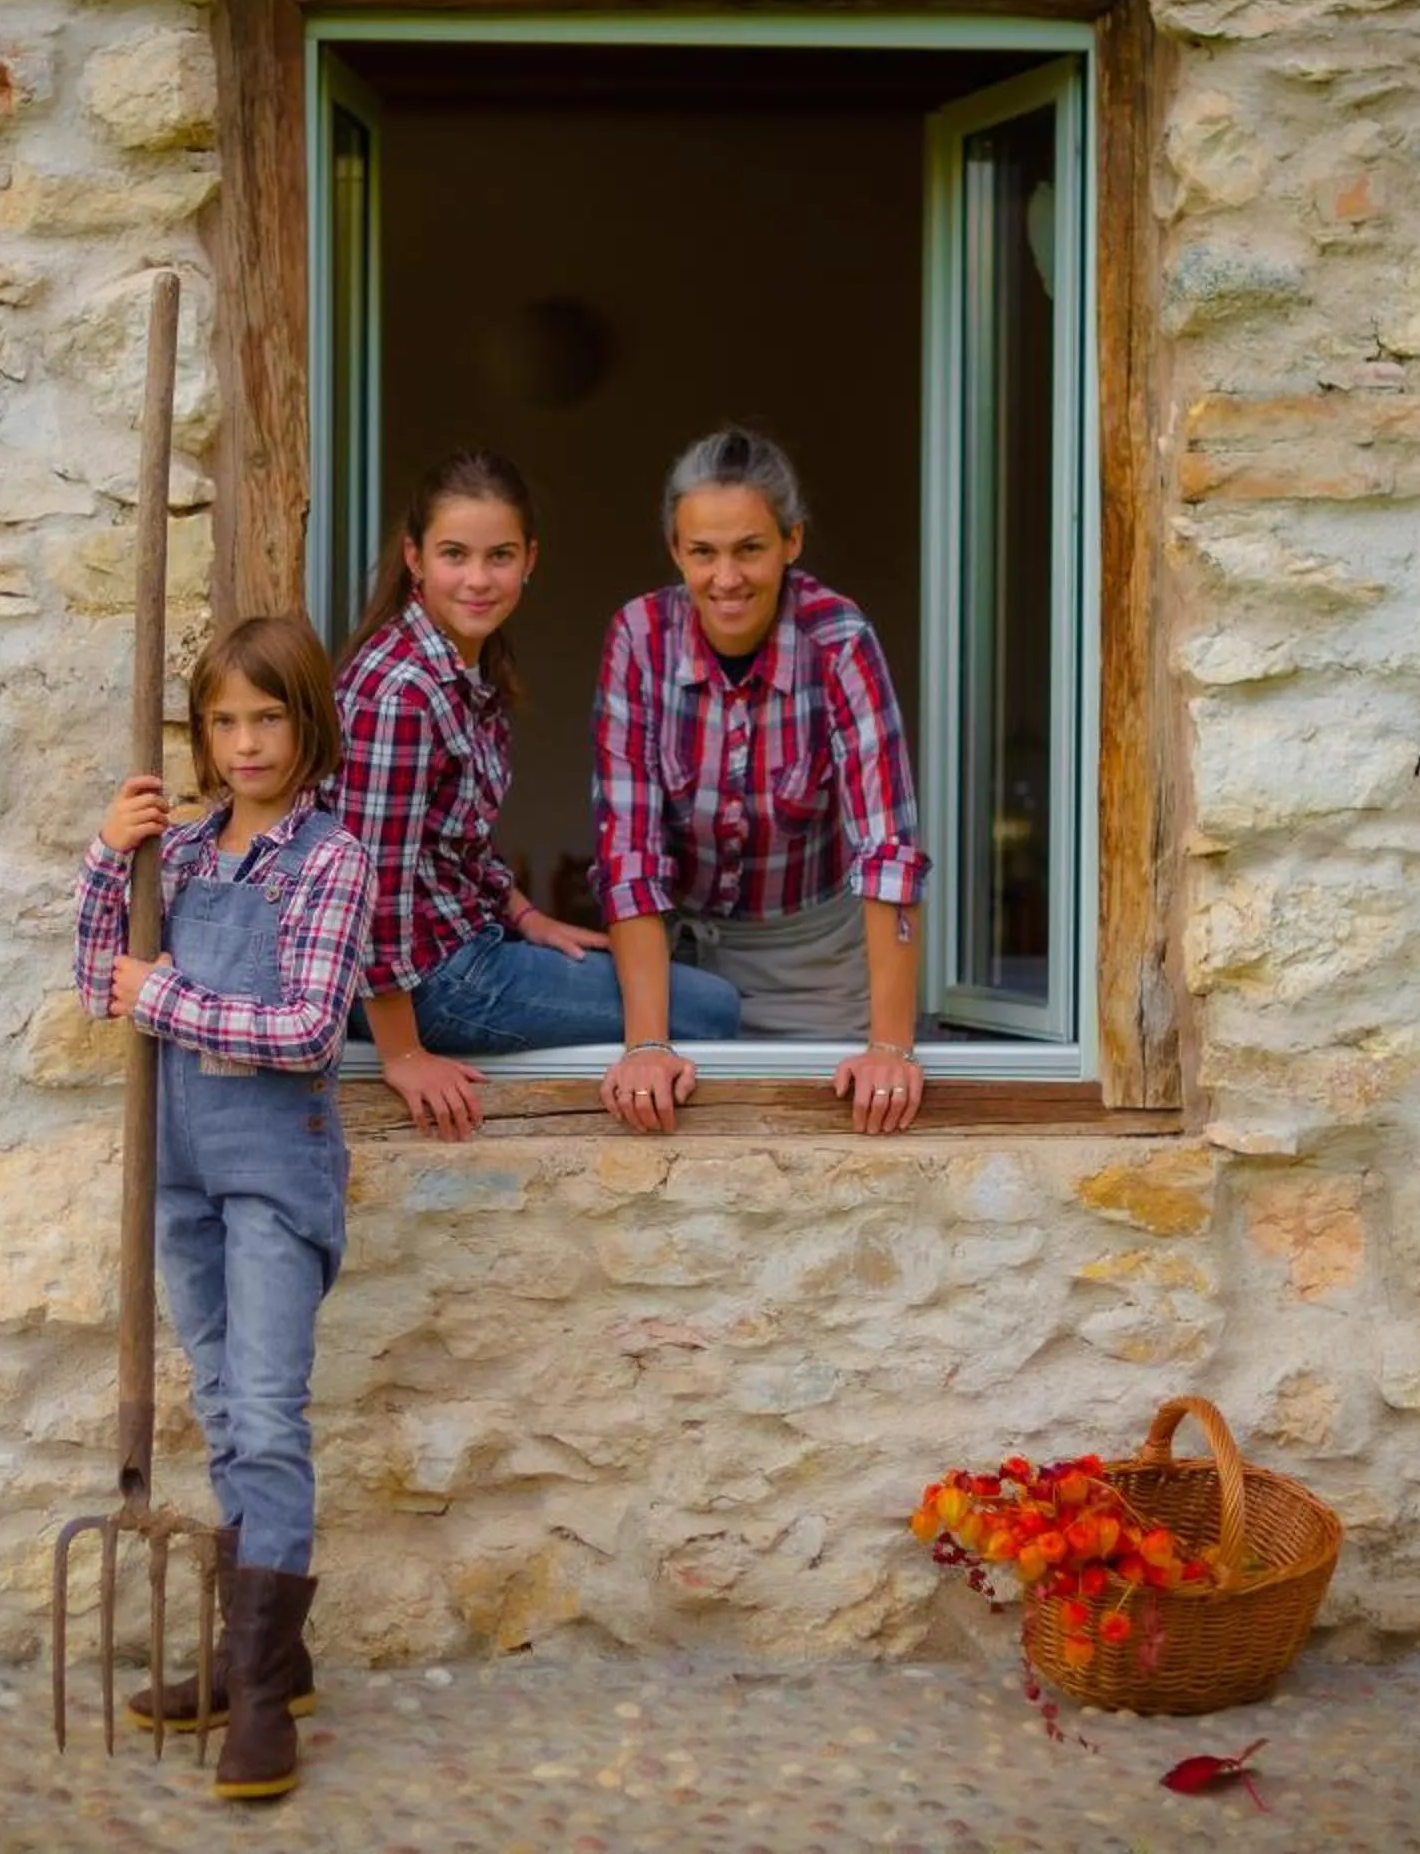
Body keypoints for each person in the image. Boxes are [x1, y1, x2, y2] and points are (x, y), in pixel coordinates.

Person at [71, 613, 374, 1803]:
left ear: (308, 726)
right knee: (217, 1397)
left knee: (265, 1412)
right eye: (225, 721)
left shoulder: (330, 861)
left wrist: (170, 997)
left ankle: (257, 1702)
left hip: (273, 1169)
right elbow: (101, 977)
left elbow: (304, 1030)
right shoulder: (184, 853)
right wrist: (109, 855)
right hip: (182, 1172)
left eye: (270, 718)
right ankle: (269, 1654)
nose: (246, 743)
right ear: (202, 733)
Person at [333, 449, 738, 1140]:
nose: (479, 579)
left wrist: (525, 916)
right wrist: (401, 1054)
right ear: (415, 557)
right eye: (455, 554)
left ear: (530, 560)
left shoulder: (468, 664)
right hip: (427, 979)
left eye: (500, 556)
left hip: (466, 940)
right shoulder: (399, 693)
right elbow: (368, 890)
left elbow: (451, 843)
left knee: (667, 973)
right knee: (710, 1011)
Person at [590, 427, 930, 1137]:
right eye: (703, 552)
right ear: (675, 551)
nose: (726, 578)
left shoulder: (839, 639)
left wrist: (890, 1048)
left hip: (814, 961)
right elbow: (630, 853)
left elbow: (888, 847)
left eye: (750, 548)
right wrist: (648, 1044)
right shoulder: (639, 638)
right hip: (675, 963)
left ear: (792, 542)